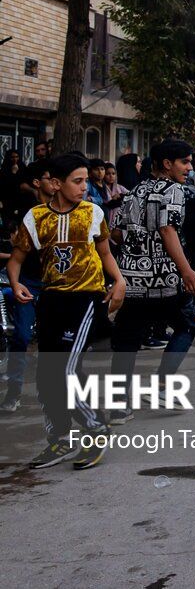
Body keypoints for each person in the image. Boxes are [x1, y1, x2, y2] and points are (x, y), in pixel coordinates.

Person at [6, 154, 125, 469]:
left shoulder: (92, 213)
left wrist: (119, 281)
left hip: (85, 300)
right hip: (51, 301)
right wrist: (16, 284)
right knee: (46, 376)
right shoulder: (35, 218)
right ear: (56, 184)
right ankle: (59, 439)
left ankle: (96, 427)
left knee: (66, 369)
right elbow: (16, 258)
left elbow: (104, 253)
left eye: (86, 180)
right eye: (78, 181)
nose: (85, 187)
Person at [111, 140, 195, 420]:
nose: (189, 168)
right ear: (167, 164)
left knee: (126, 340)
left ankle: (119, 405)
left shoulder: (134, 191)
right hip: (164, 279)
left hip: (131, 279)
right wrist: (186, 270)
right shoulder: (173, 190)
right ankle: (162, 384)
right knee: (188, 325)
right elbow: (167, 230)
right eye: (185, 162)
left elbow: (116, 234)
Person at [0, 160, 57, 413]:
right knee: (22, 336)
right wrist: (16, 283)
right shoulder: (28, 213)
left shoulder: (71, 211)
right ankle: (14, 390)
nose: (55, 183)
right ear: (38, 183)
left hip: (57, 285)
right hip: (29, 282)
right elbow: (17, 256)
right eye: (49, 178)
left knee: (53, 339)